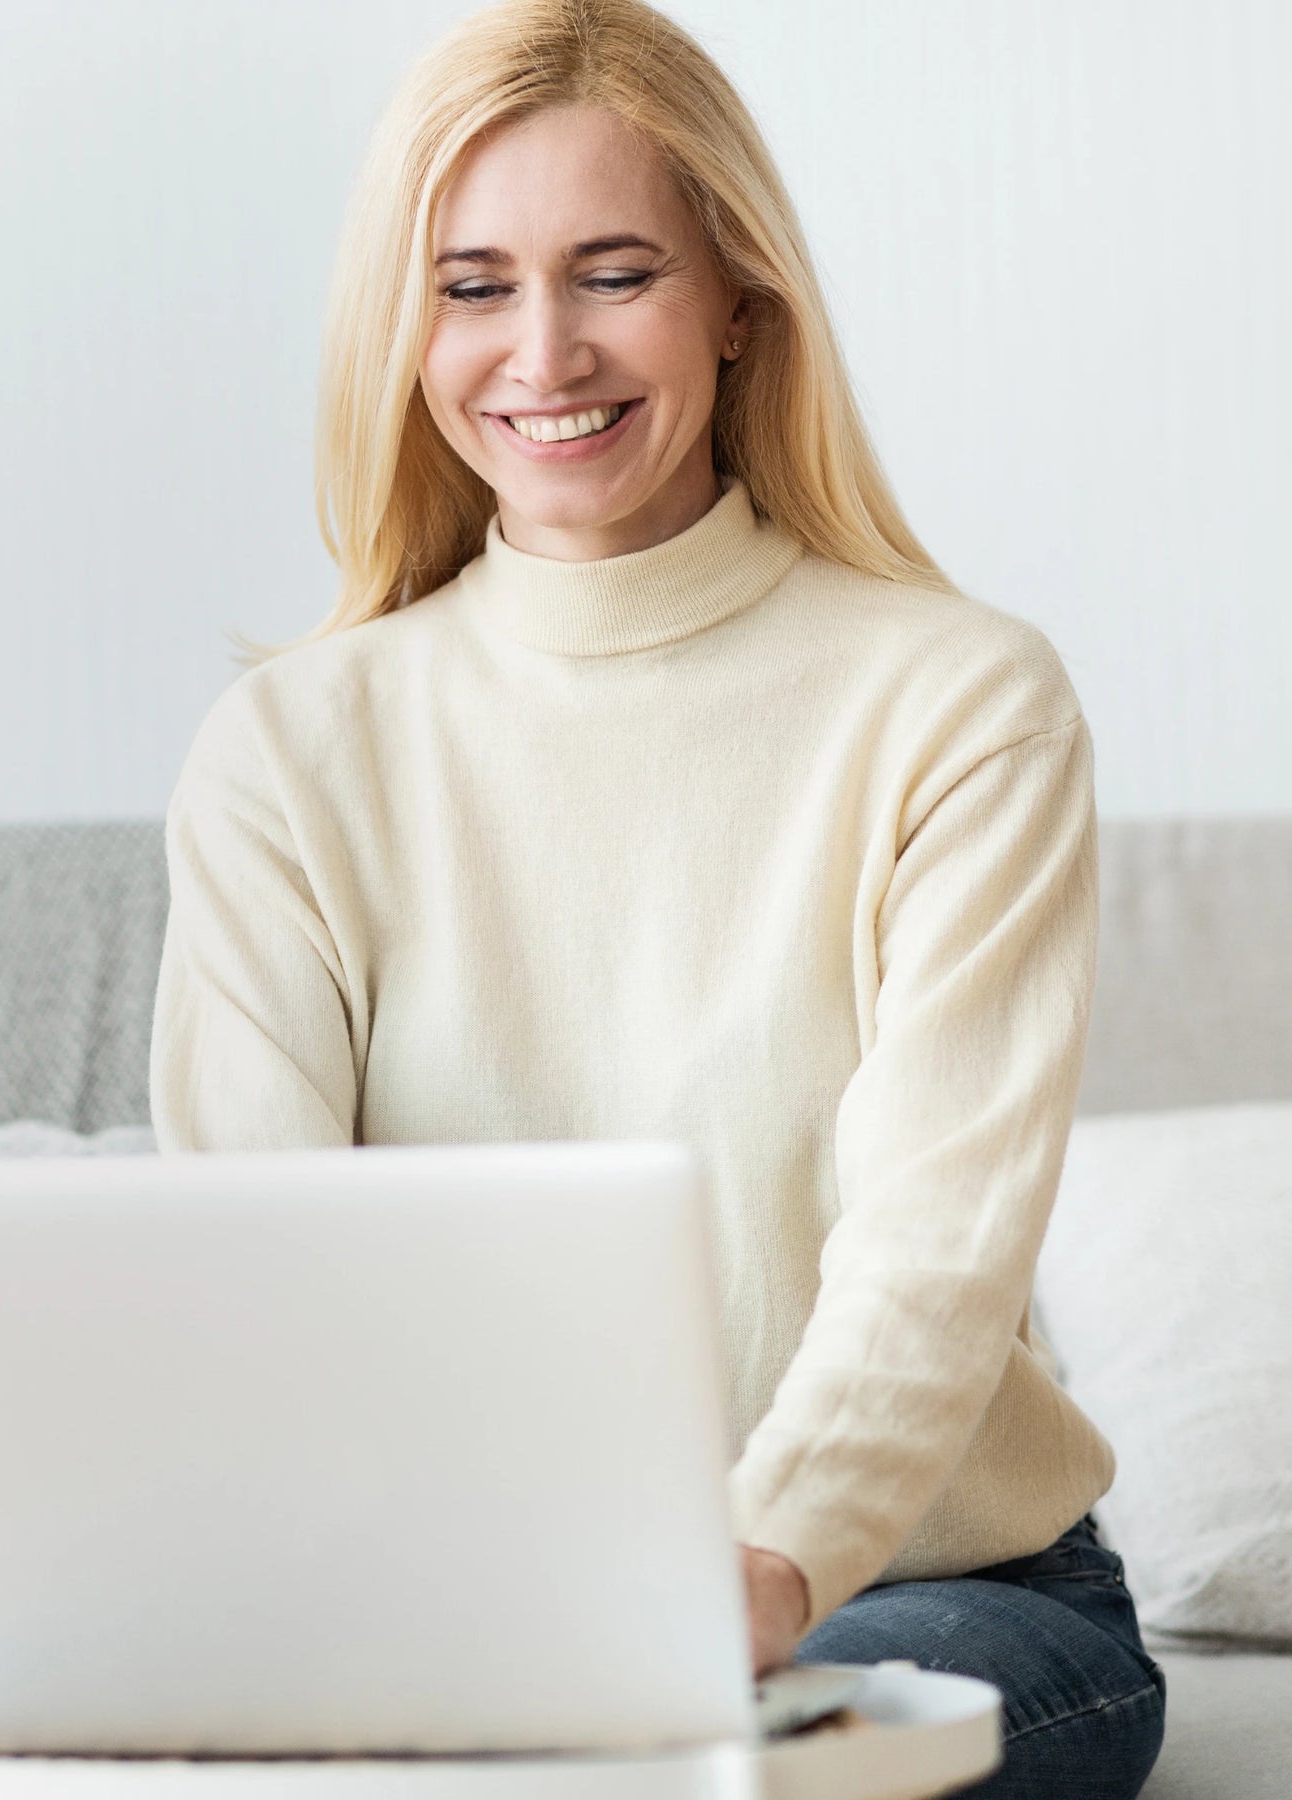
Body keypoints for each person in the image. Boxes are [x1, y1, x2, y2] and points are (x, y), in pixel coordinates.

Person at [147, 0, 1166, 1791]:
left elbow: (930, 1261)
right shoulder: (288, 754)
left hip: (925, 1596)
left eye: (615, 273)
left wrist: (751, 1569)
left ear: (736, 303)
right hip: (473, 1618)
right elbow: (259, 1285)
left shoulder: (960, 705)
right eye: (470, 286)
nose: (542, 351)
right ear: (404, 328)